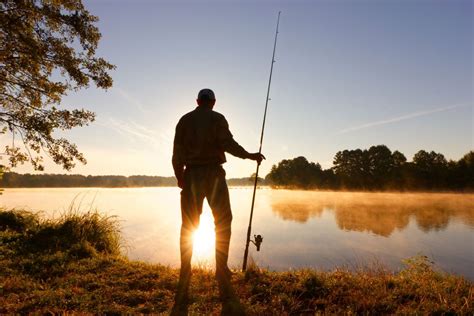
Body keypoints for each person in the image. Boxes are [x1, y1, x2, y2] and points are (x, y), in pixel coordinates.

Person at [171, 88, 264, 312]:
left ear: (197, 101)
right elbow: (228, 144)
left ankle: (186, 271)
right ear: (213, 102)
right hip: (214, 175)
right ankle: (221, 270)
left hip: (191, 175)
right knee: (223, 222)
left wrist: (180, 178)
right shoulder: (217, 118)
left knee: (188, 225)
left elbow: (176, 154)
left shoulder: (184, 120)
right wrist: (250, 155)